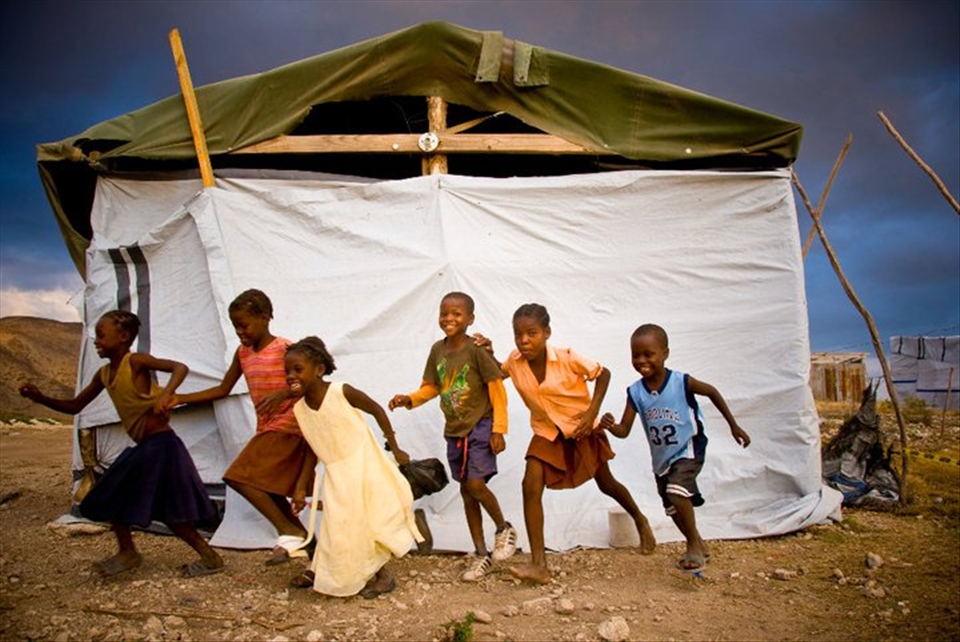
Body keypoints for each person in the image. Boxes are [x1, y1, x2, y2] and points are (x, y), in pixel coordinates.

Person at [19, 310, 223, 578]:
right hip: (149, 448)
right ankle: (131, 552)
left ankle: (206, 558)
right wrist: (41, 398)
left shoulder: (136, 362)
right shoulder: (104, 375)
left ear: (124, 336)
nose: (96, 340)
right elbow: (75, 406)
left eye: (102, 335)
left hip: (163, 446)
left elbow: (179, 368)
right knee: (119, 492)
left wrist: (167, 394)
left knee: (169, 509)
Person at [496, 303, 657, 584]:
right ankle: (539, 565)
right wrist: (483, 350)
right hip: (547, 432)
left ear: (546, 332)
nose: (524, 340)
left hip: (581, 429)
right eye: (518, 334)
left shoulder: (567, 358)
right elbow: (496, 374)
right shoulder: (514, 361)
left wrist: (592, 413)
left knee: (607, 483)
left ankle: (640, 519)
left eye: (531, 333)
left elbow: (603, 374)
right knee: (530, 484)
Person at [173, 289, 315, 565]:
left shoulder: (285, 349)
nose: (240, 331)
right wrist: (180, 398)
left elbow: (307, 382)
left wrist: (284, 393)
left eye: (244, 324)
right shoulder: (243, 353)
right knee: (268, 488)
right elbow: (224, 388)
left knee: (238, 476)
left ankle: (289, 531)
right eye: (235, 325)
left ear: (264, 318)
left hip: (291, 424)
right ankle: (308, 545)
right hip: (267, 426)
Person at [599, 323, 751, 571]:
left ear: (665, 353)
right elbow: (624, 431)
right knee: (672, 507)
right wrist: (610, 425)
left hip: (688, 446)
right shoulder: (636, 392)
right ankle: (698, 542)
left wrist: (734, 426)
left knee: (677, 491)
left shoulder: (680, 382)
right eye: (635, 355)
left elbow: (712, 392)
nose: (641, 360)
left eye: (648, 354)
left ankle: (691, 545)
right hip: (662, 457)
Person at [389, 291, 518, 582]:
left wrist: (499, 429)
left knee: (475, 484)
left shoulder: (477, 350)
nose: (449, 318)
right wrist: (409, 399)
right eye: (444, 313)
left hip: (481, 425)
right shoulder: (437, 350)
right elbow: (431, 387)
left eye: (457, 314)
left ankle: (503, 527)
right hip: (454, 431)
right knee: (466, 491)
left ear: (470, 319)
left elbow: (497, 388)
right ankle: (480, 554)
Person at [284, 336, 423, 598]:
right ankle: (323, 569)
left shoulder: (340, 391)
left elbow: (377, 410)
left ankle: (383, 575)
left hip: (363, 460)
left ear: (319, 370)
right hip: (336, 471)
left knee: (366, 520)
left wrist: (394, 446)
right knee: (339, 523)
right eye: (287, 371)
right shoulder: (300, 409)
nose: (290, 376)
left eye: (297, 370)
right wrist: (301, 488)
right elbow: (311, 451)